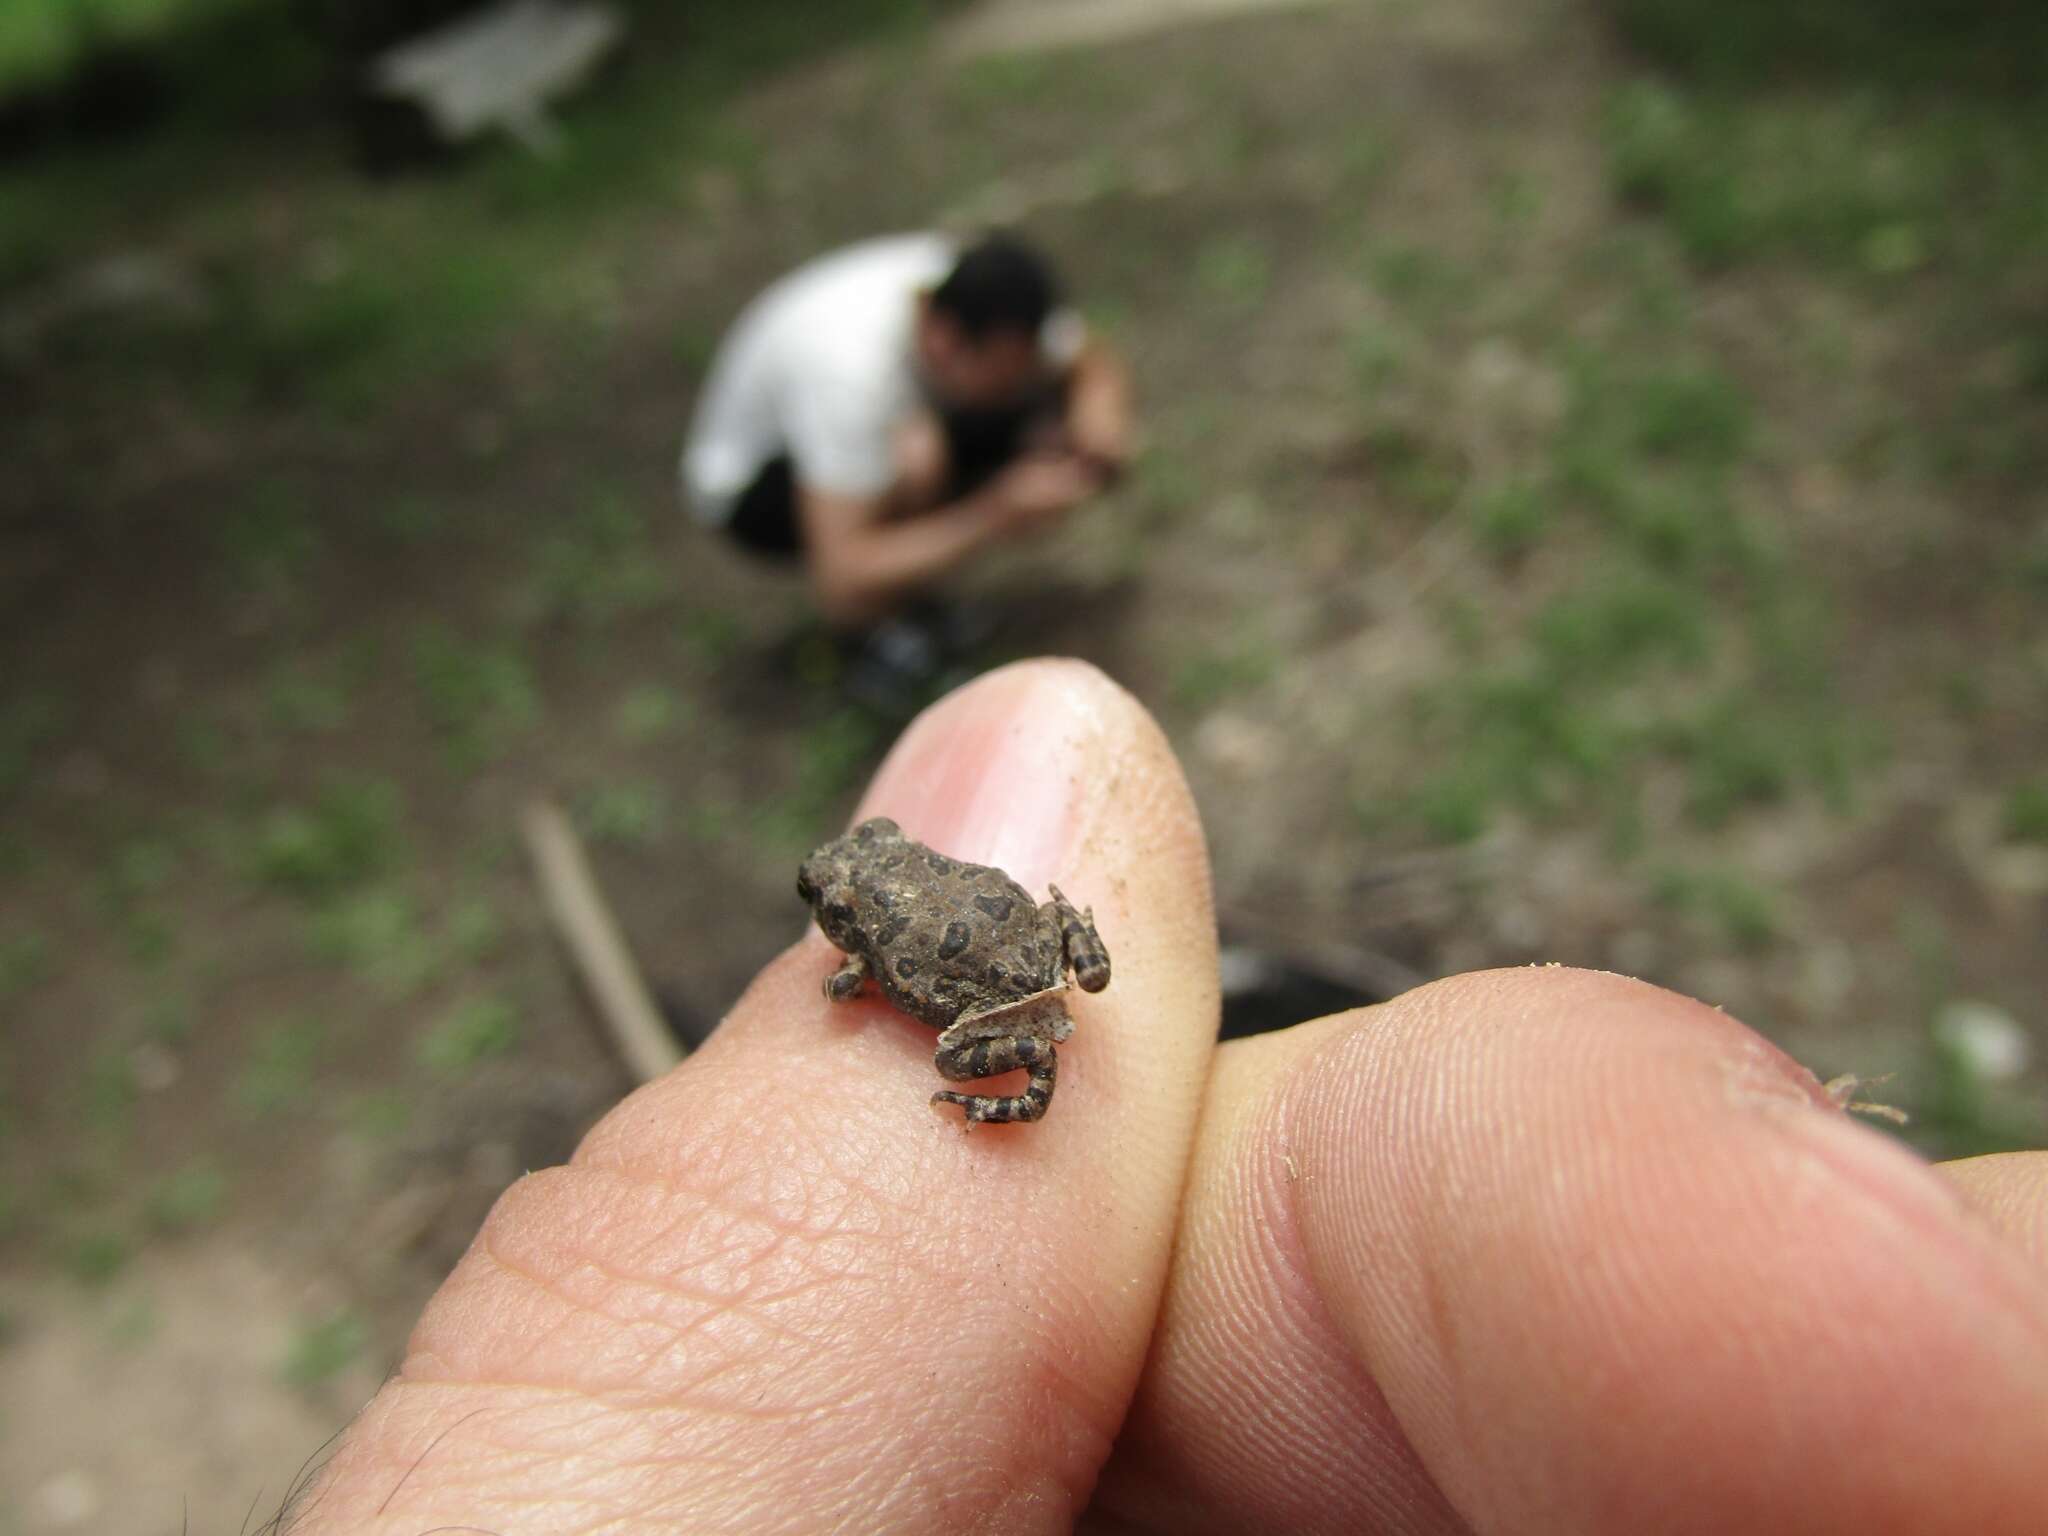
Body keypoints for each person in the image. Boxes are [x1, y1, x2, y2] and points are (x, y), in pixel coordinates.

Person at [288, 662, 2048, 1534]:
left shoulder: (880, 955)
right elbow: (900, 945)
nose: (840, 914)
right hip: (1020, 939)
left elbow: (918, 973)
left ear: (866, 884)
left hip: (1000, 986)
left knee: (1008, 1062)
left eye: (845, 898)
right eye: (843, 904)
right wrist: (889, 958)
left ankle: (1005, 1086)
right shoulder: (873, 940)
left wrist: (957, 1038)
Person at [680, 232, 1133, 641]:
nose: (1017, 387)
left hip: (862, 420)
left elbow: (1088, 360)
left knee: (946, 441)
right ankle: (884, 633)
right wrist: (991, 517)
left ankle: (917, 574)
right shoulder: (847, 377)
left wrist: (1097, 426)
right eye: (1003, 377)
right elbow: (841, 574)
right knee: (918, 462)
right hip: (752, 487)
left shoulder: (978, 300)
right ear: (947, 343)